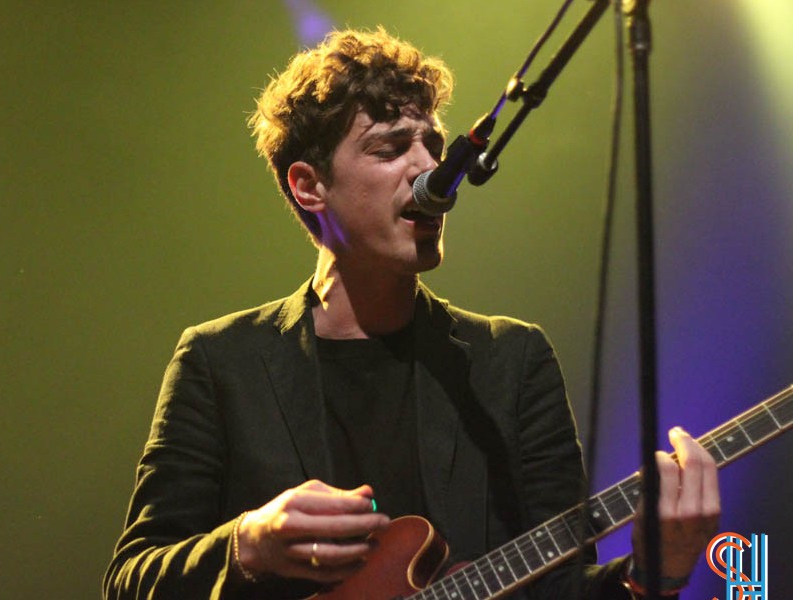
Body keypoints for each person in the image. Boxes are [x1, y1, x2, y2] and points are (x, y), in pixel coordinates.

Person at [102, 28, 719, 599]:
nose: (430, 169)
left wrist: (653, 576)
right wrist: (249, 544)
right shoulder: (220, 361)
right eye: (391, 148)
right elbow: (130, 581)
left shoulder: (513, 361)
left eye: (434, 146)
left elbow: (558, 588)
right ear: (309, 186)